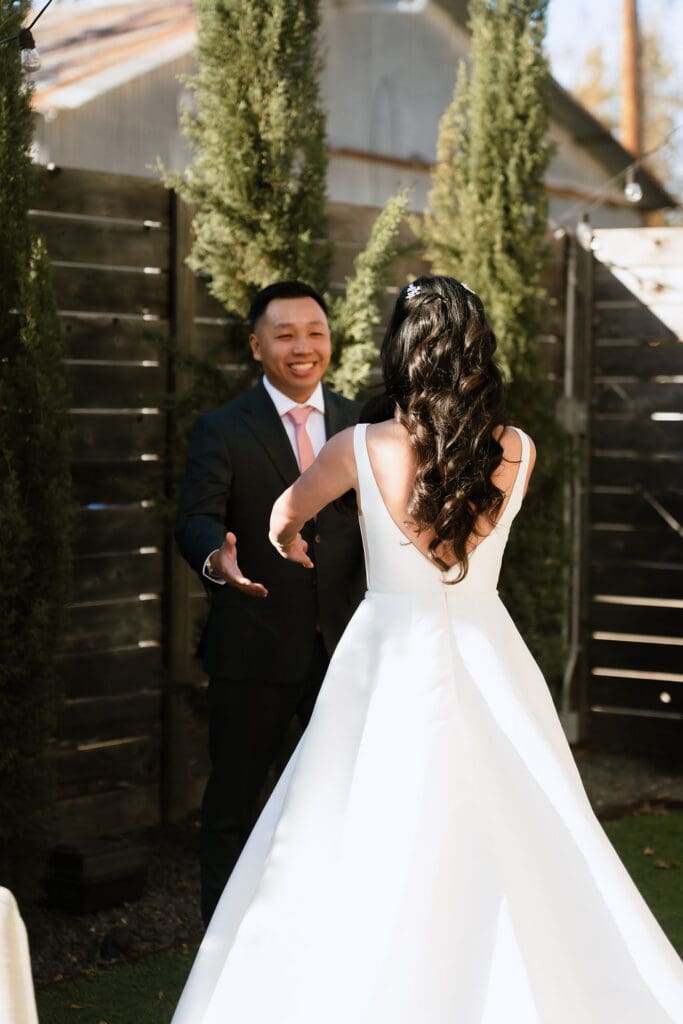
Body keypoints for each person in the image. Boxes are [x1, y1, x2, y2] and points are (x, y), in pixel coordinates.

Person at [172, 277, 683, 1023]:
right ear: (478, 352)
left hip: (386, 651)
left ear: (402, 353)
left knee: (360, 818)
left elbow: (285, 514)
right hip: (487, 645)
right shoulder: (517, 448)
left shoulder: (360, 444)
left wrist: (287, 540)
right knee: (520, 818)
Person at [175, 280, 365, 926]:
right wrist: (217, 562)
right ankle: (220, 952)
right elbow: (195, 519)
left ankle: (320, 934)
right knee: (233, 806)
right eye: (284, 335)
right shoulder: (221, 429)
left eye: (314, 331)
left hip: (343, 650)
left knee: (337, 803)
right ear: (257, 347)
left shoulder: (361, 425)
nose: (303, 346)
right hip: (252, 648)